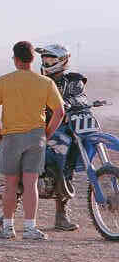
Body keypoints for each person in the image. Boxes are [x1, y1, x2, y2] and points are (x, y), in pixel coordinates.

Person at [0, 41, 65, 240]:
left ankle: (7, 228)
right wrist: (46, 134)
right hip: (36, 137)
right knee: (31, 184)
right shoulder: (45, 82)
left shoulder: (4, 81)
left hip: (11, 137)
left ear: (15, 59)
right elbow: (59, 112)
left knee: (11, 184)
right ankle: (30, 228)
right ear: (32, 59)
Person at [35, 44, 88, 231]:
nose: (46, 63)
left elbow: (82, 98)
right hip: (43, 126)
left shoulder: (73, 80)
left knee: (67, 169)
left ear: (62, 61)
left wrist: (68, 102)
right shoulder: (39, 81)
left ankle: (61, 216)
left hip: (66, 128)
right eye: (44, 60)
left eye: (50, 60)